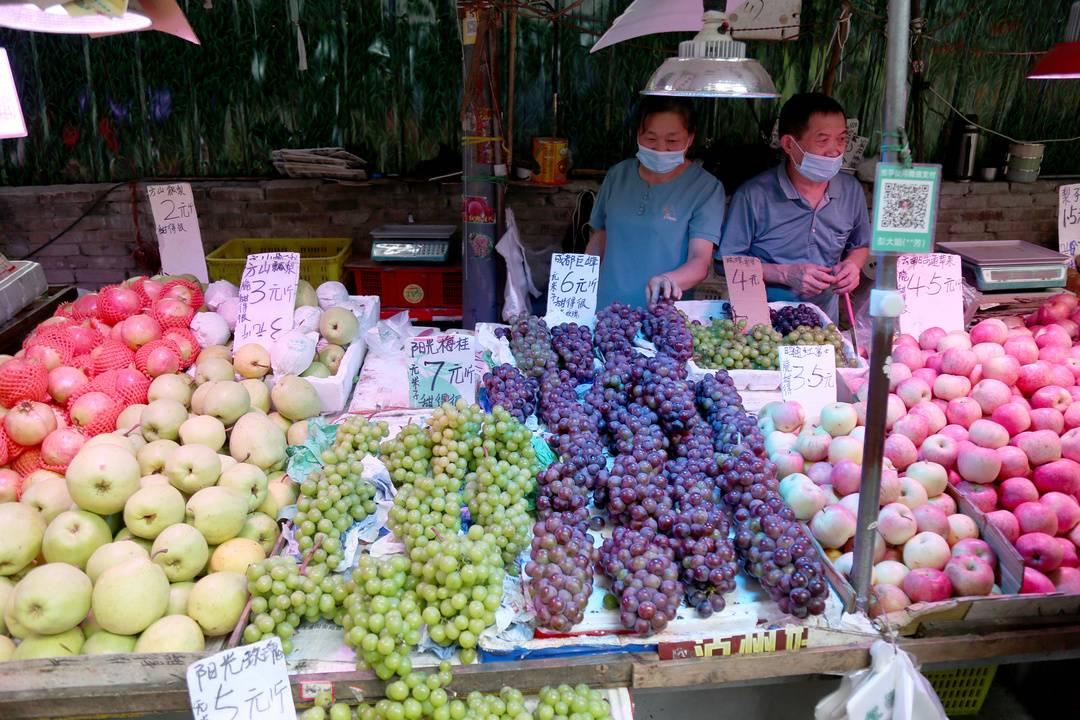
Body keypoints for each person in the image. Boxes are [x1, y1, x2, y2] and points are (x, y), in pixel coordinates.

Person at [717, 92, 870, 321]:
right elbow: (726, 264)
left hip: (823, 324)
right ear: (789, 144)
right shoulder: (754, 195)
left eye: (841, 139)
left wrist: (852, 266)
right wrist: (785, 274)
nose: (835, 150)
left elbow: (860, 244)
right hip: (759, 323)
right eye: (822, 140)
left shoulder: (851, 190)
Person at [586, 97, 726, 308]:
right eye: (651, 139)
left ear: (690, 138)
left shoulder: (705, 188)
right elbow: (599, 238)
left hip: (660, 315)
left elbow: (700, 261)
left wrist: (670, 280)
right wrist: (580, 281)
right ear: (638, 136)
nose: (660, 149)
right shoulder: (617, 175)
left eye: (672, 141)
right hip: (604, 308)